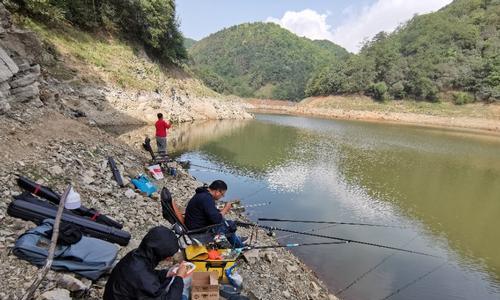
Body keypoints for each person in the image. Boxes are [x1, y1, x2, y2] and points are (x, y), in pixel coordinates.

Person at [103, 226, 188, 300]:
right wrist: (179, 277)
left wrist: (166, 274)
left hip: (116, 295)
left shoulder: (135, 255)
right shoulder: (143, 277)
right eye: (168, 255)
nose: (169, 258)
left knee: (169, 283)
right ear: (159, 254)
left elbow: (145, 275)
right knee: (183, 296)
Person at [184, 180, 245, 248]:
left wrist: (219, 211)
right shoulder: (207, 199)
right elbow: (217, 220)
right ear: (217, 191)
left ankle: (237, 239)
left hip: (192, 224)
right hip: (198, 230)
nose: (222, 196)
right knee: (229, 226)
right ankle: (240, 246)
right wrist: (225, 209)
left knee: (224, 221)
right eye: (222, 194)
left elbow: (206, 211)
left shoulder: (202, 193)